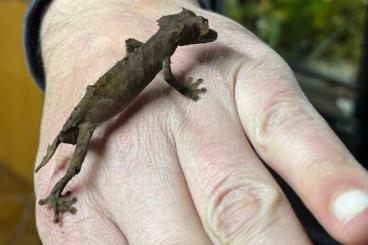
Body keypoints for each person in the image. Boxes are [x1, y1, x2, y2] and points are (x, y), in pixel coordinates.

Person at [24, 0, 368, 244]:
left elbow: (133, 45)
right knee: (78, 166)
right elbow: (170, 79)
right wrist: (186, 89)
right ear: (179, 37)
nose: (204, 35)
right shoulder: (161, 53)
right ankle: (57, 195)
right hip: (88, 121)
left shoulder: (154, 45)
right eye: (197, 32)